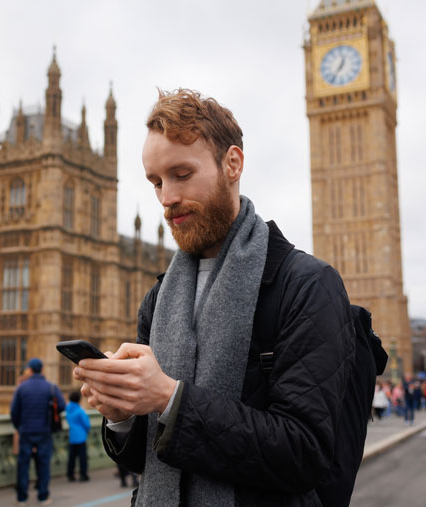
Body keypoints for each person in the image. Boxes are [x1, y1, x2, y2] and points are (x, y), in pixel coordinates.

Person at [75, 89, 356, 506]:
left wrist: (169, 399)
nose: (167, 198)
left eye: (181, 175)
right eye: (156, 182)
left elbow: (305, 452)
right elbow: (151, 457)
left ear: (233, 163)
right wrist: (121, 415)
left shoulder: (307, 286)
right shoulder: (158, 298)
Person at [10, 358, 66, 506]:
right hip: (44, 431)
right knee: (43, 464)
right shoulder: (51, 387)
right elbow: (61, 405)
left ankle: (22, 498)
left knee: (23, 465)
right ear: (42, 369)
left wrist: (19, 426)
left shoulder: (21, 388)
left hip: (26, 431)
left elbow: (13, 411)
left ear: (29, 369)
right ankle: (43, 496)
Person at [65, 390, 91, 482]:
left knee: (71, 457)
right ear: (79, 399)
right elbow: (87, 424)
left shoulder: (68, 409)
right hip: (81, 436)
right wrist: (87, 431)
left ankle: (70, 475)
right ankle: (83, 475)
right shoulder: (80, 411)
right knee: (82, 458)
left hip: (72, 436)